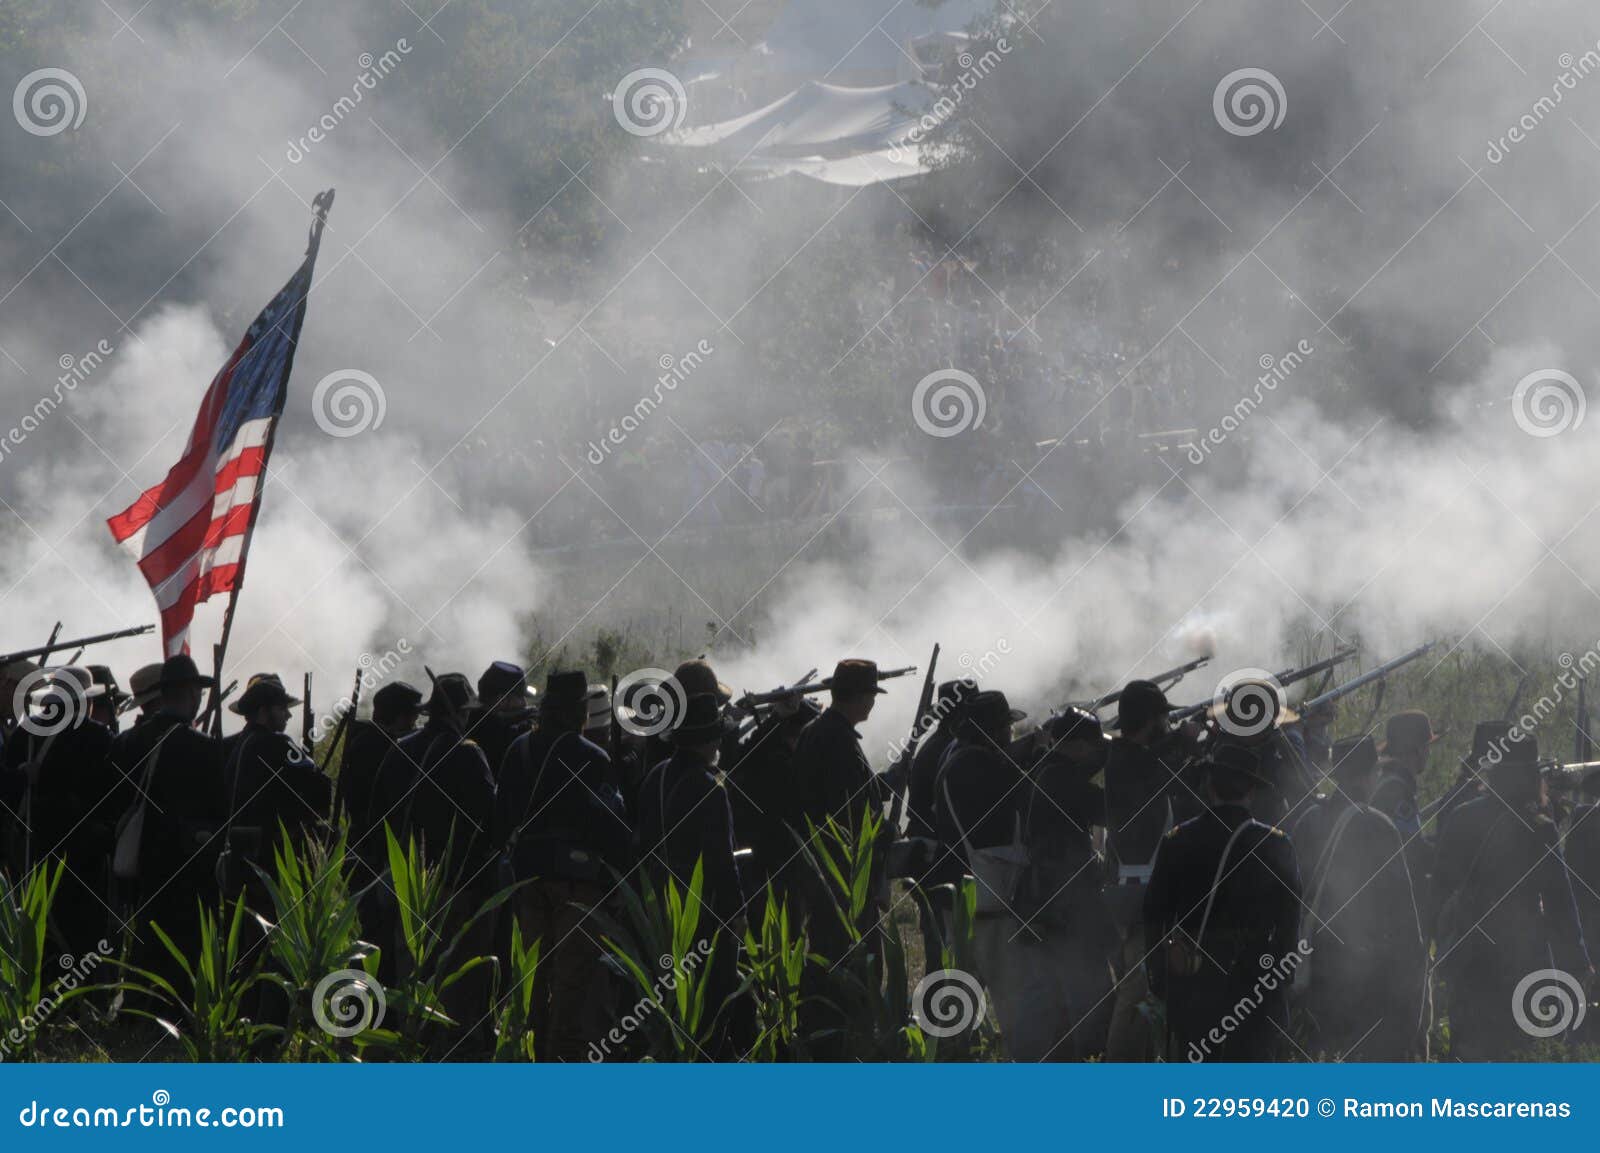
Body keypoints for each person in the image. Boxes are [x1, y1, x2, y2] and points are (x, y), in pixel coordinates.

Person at [1430, 723, 1591, 1058]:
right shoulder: (1539, 828)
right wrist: (1579, 963)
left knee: (1469, 1055)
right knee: (1520, 1056)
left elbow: (1440, 888)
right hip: (1521, 961)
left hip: (1468, 956)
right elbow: (1560, 902)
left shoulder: (1461, 817)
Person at [494, 669, 628, 1061]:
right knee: (572, 990)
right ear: (580, 711)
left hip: (526, 882)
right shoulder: (594, 757)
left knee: (531, 983)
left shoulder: (518, 751)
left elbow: (500, 821)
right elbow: (614, 832)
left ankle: (528, 1058)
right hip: (578, 888)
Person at [1143, 742, 1303, 1062]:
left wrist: (1160, 975)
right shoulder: (1275, 844)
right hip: (1255, 976)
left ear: (1210, 786)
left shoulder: (1179, 840)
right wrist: (1281, 979)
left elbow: (1153, 913)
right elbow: (1290, 920)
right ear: (1251, 792)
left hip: (1193, 979)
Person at [1290, 735, 1428, 1059]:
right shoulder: (1380, 827)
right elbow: (1404, 916)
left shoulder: (1310, 819)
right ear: (1369, 775)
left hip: (1316, 965)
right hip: (1366, 971)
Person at [106, 654, 225, 981]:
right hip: (186, 866)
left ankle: (136, 1018)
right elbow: (220, 812)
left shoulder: (124, 742)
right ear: (191, 692)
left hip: (135, 864)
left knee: (141, 948)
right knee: (182, 957)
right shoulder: (204, 748)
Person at [1010, 706, 1118, 1059]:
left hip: (1047, 893)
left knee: (1057, 986)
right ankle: (1087, 1052)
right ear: (1079, 746)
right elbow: (1108, 810)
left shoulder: (1048, 769)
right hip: (1066, 898)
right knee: (1089, 983)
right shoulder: (1062, 780)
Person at [2, 666, 119, 963]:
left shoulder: (25, 733)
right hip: (82, 859)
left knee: (36, 940)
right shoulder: (96, 737)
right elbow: (108, 799)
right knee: (84, 945)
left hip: (30, 853)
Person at [217, 674, 330, 896]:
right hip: (274, 863)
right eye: (281, 708)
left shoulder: (237, 745)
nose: (288, 714)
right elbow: (321, 791)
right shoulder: (277, 743)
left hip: (243, 862)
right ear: (263, 711)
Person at [472, 661, 536, 782]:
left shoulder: (468, 719)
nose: (524, 703)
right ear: (502, 699)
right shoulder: (496, 731)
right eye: (520, 697)